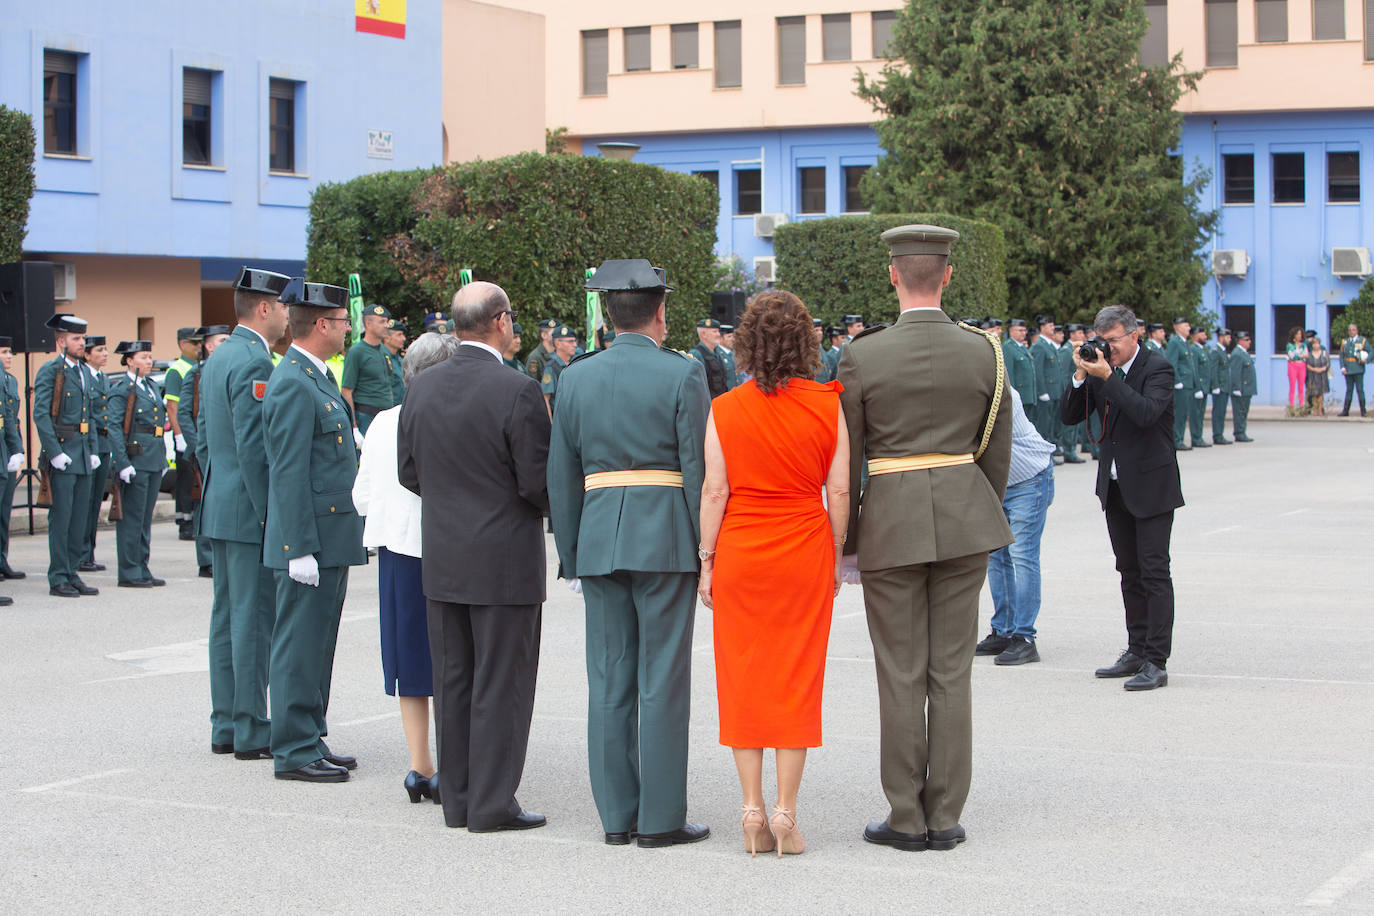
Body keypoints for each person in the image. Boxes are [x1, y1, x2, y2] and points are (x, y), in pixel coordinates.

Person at [838, 225, 1012, 853]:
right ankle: (946, 815)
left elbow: (848, 458)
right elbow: (996, 451)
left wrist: (849, 538)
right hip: (966, 517)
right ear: (947, 276)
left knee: (900, 673)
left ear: (893, 275)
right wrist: (977, 508)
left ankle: (905, 817)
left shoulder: (862, 355)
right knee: (952, 670)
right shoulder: (986, 351)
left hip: (890, 523)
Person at [547, 258, 712, 849]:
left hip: (597, 539)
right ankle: (661, 820)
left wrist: (570, 552)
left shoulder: (576, 376)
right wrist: (706, 549)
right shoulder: (682, 373)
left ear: (607, 314)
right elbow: (697, 468)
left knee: (610, 681)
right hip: (665, 537)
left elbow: (560, 475)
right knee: (662, 681)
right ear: (660, 312)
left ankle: (618, 817)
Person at [697, 290, 848, 858]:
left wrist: (706, 561)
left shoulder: (725, 408)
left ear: (747, 344)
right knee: (796, 677)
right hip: (803, 548)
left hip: (742, 550)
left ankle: (751, 811)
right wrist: (834, 554)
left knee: (742, 678)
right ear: (806, 342)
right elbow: (837, 489)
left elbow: (716, 489)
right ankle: (787, 812)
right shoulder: (829, 403)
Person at [398, 282, 550, 832]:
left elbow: (408, 472)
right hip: (504, 558)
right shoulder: (518, 390)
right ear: (501, 321)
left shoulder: (422, 387)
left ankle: (458, 800)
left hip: (444, 557)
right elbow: (538, 483)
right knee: (501, 684)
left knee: (455, 680)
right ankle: (491, 803)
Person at [263, 279, 366, 783]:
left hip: (331, 535)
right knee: (298, 643)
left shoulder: (317, 376)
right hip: (310, 541)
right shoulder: (292, 382)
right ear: (323, 325)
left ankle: (310, 733)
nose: (349, 329)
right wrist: (296, 547)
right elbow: (285, 472)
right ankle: (293, 749)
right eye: (344, 322)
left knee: (318, 641)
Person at [356, 332, 460, 806]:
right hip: (446, 549)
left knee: (410, 665)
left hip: (397, 552)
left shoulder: (382, 421)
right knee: (454, 661)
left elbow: (362, 495)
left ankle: (420, 766)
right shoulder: (450, 416)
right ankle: (454, 763)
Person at [1060, 304, 1183, 692]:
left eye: (1113, 341)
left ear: (1134, 335)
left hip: (1152, 486)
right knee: (1128, 572)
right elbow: (1068, 415)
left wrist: (1108, 376)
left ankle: (1156, 660)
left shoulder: (1157, 368)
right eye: (1102, 341)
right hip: (1115, 487)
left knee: (1154, 572)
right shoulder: (1100, 371)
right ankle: (1135, 649)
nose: (1107, 348)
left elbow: (1146, 413)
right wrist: (1082, 374)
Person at [202, 267, 291, 760]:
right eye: (281, 306)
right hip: (247, 511)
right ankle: (251, 725)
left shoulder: (221, 356)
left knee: (227, 618)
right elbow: (255, 449)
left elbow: (203, 437)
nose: (285, 314)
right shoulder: (255, 361)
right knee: (253, 619)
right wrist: (267, 514)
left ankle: (226, 721)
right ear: (263, 308)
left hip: (223, 502)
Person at [975, 394, 1056, 665]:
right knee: (996, 558)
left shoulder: (1002, 392)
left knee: (1022, 556)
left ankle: (1024, 637)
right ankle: (1003, 630)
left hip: (1029, 480)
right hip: (997, 485)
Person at [34, 313, 100, 598]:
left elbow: (91, 416)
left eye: (83, 338)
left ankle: (72, 571)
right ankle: (58, 575)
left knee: (79, 518)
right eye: (75, 338)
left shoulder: (84, 372)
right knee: (61, 519)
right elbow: (41, 415)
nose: (81, 343)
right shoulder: (51, 371)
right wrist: (55, 452)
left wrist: (94, 450)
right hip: (64, 452)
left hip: (84, 454)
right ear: (61, 341)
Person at [105, 341, 167, 588]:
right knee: (131, 518)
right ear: (129, 360)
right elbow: (115, 428)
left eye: (150, 356)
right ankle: (129, 571)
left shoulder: (151, 386)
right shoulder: (122, 389)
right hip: (136, 459)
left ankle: (142, 566)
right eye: (143, 357)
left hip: (153, 459)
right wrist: (122, 462)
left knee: (144, 519)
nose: (149, 361)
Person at [177, 325, 231, 578]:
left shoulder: (228, 370)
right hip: (203, 451)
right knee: (203, 504)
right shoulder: (195, 374)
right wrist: (198, 446)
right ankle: (206, 559)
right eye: (222, 340)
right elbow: (185, 414)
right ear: (208, 346)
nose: (227, 343)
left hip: (222, 450)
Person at [78, 335, 112, 574]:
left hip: (104, 443)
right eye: (99, 350)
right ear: (87, 355)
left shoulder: (104, 378)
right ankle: (80, 554)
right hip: (90, 443)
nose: (105, 353)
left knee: (95, 503)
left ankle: (89, 552)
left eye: (105, 349)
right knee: (85, 502)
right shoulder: (83, 376)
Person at [165, 327, 201, 540]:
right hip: (184, 435)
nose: (198, 347)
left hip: (193, 433)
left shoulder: (196, 367)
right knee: (187, 480)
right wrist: (179, 436)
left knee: (195, 479)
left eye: (200, 343)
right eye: (193, 343)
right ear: (182, 344)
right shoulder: (177, 369)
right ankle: (184, 521)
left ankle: (191, 520)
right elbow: (173, 406)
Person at [341, 303, 397, 435]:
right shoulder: (357, 352)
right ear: (368, 324)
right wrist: (354, 426)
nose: (386, 325)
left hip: (385, 413)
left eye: (386, 321)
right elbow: (347, 390)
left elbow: (388, 384)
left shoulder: (385, 351)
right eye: (382, 322)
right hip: (366, 415)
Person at [0, 336, 24, 586]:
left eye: (10, 352)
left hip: (7, 447)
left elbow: (11, 419)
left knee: (5, 508)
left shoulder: (11, 380)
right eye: (4, 351)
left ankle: (2, 558)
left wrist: (17, 448)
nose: (9, 356)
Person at [1164, 316, 1195, 450]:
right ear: (1177, 327)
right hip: (1180, 384)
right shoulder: (1174, 342)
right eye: (1185, 326)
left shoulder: (1183, 342)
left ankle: (1179, 439)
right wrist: (1176, 381)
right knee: (1179, 413)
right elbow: (1171, 363)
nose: (1188, 328)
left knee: (1183, 413)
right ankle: (1176, 440)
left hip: (1187, 383)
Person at [1055, 324, 1086, 463]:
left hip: (1077, 388)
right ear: (1072, 335)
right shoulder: (1067, 350)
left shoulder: (1076, 349)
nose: (1082, 335)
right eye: (1079, 333)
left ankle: (1071, 449)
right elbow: (1062, 373)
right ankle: (1068, 451)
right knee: (1069, 425)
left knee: (1076, 424)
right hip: (1069, 389)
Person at [1031, 314, 1061, 453]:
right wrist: (1042, 392)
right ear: (1042, 328)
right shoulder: (1039, 346)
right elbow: (1038, 371)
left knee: (1051, 424)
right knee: (1044, 425)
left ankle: (1051, 450)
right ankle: (1044, 452)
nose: (1053, 328)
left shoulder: (1049, 345)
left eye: (1053, 325)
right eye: (1050, 326)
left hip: (1054, 392)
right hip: (1046, 392)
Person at [540, 324, 578, 415]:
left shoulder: (574, 363)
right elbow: (545, 399)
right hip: (558, 417)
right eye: (570, 342)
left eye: (574, 341)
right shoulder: (551, 367)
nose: (575, 345)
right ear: (557, 344)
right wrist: (551, 425)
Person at [689, 318, 729, 399]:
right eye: (714, 331)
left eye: (718, 331)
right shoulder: (696, 354)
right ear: (703, 334)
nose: (718, 334)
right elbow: (694, 385)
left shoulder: (718, 353)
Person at [1003, 319, 1036, 414]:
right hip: (1019, 395)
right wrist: (1011, 396)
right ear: (1011, 331)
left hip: (1028, 395)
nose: (1024, 333)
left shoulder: (1022, 347)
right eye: (1020, 330)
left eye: (1025, 330)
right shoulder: (1008, 347)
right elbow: (1009, 374)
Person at [1229, 330, 1257, 442]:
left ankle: (1241, 431)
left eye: (1249, 339)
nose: (1249, 342)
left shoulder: (1244, 353)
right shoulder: (1237, 354)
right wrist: (1236, 388)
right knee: (1239, 412)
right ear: (1239, 341)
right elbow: (1235, 372)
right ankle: (1239, 433)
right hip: (1241, 389)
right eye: (1246, 340)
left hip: (1247, 389)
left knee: (1244, 411)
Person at [1187, 327, 1211, 448]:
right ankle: (1196, 438)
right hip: (1198, 388)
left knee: (1200, 414)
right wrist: (1197, 388)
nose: (1205, 336)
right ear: (1195, 336)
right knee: (1195, 414)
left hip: (1204, 387)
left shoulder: (1201, 350)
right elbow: (1194, 370)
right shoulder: (1193, 350)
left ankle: (1199, 437)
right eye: (1202, 334)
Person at [1338, 323, 1369, 416]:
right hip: (1348, 369)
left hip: (1358, 368)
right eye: (1350, 330)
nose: (1351, 332)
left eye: (1353, 330)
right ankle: (1345, 411)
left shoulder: (1362, 340)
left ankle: (1363, 411)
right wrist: (1342, 367)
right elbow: (1341, 356)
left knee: (1360, 390)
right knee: (1349, 390)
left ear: (1357, 331)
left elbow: (1371, 351)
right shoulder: (1345, 342)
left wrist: (1366, 360)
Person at [1209, 328, 1233, 444]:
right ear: (1221, 337)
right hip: (1219, 387)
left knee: (1222, 412)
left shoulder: (1222, 351)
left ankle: (1220, 434)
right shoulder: (1216, 351)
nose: (1230, 340)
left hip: (1224, 387)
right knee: (1218, 412)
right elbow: (1213, 370)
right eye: (1228, 337)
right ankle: (1217, 435)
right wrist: (1215, 386)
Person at [1306, 337, 1332, 415]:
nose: (1316, 345)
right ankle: (1315, 410)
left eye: (1317, 343)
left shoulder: (1324, 353)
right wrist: (1314, 369)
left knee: (1320, 393)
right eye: (1314, 344)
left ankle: (1320, 410)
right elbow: (1307, 365)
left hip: (1322, 375)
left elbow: (1328, 363)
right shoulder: (1309, 354)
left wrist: (1323, 369)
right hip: (1313, 376)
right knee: (1314, 393)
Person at [384, 319, 407, 404]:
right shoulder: (381, 359)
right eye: (399, 335)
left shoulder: (401, 361)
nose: (403, 338)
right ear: (387, 338)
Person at [1283, 326, 1306, 409]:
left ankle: (1301, 405)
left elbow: (1306, 355)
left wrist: (1300, 356)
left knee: (1301, 386)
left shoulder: (1303, 345)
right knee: (1292, 386)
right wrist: (1301, 355)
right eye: (1297, 334)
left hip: (1302, 366)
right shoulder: (1289, 345)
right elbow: (1292, 356)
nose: (1299, 336)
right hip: (1293, 366)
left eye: (1300, 334)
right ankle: (1292, 405)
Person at [716, 323, 738, 390]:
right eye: (729, 337)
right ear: (721, 338)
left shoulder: (735, 354)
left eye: (733, 336)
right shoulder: (717, 354)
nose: (733, 339)